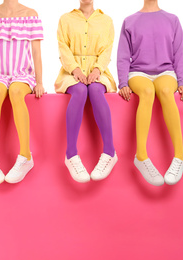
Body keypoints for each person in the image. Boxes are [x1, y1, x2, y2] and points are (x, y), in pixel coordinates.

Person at [117, 0, 183, 186]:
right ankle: (141, 155)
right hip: (138, 72)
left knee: (166, 90)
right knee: (148, 91)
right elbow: (123, 56)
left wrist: (182, 82)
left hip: (166, 71)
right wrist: (123, 83)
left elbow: (179, 53)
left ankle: (180, 155)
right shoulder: (129, 21)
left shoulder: (172, 20)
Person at [0, 0, 44, 184]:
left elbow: (36, 52)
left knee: (15, 91)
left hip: (23, 73)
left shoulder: (31, 14)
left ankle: (25, 155)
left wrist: (40, 82)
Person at [55, 0, 118, 183]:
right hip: (70, 72)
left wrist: (97, 69)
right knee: (81, 91)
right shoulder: (65, 19)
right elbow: (63, 47)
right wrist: (75, 69)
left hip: (99, 71)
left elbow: (107, 50)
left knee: (96, 91)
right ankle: (71, 154)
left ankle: (109, 151)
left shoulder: (106, 20)